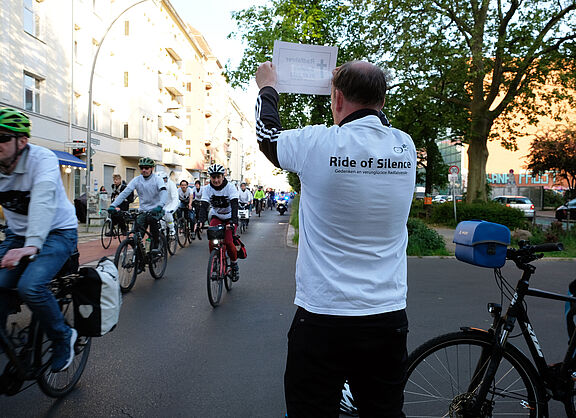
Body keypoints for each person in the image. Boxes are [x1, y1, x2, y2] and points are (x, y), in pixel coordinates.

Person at [255, 60, 417, 417]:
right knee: (384, 412)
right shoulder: (405, 147)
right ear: (383, 100)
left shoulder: (316, 143)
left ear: (338, 99)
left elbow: (268, 138)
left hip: (323, 316)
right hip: (386, 316)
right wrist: (353, 84)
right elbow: (372, 129)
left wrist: (268, 87)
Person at [0, 107, 79, 372]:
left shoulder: (42, 159)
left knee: (30, 287)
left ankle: (62, 337)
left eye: (1, 137)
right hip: (18, 234)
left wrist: (32, 245)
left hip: (58, 232)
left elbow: (43, 199)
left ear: (22, 141)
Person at [108, 157, 167, 251]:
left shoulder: (158, 180)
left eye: (146, 168)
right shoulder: (137, 180)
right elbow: (124, 193)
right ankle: (138, 257)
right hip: (143, 210)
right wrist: (113, 205)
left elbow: (164, 193)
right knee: (137, 236)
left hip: (156, 209)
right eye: (142, 168)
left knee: (153, 225)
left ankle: (156, 245)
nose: (144, 170)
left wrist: (160, 206)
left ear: (152, 168)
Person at [197, 164, 240, 281]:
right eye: (213, 177)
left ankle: (234, 264)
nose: (216, 180)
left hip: (230, 217)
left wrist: (233, 222)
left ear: (223, 176)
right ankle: (215, 261)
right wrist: (200, 221)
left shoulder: (230, 187)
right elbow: (204, 206)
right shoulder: (207, 189)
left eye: (218, 177)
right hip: (217, 216)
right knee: (212, 239)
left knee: (229, 242)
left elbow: (235, 205)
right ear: (210, 177)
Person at [158, 171, 179, 236]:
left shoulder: (171, 184)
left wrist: (172, 208)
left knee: (168, 215)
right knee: (161, 220)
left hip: (172, 203)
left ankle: (172, 231)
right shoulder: (157, 185)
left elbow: (175, 197)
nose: (164, 180)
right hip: (163, 204)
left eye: (165, 178)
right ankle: (163, 235)